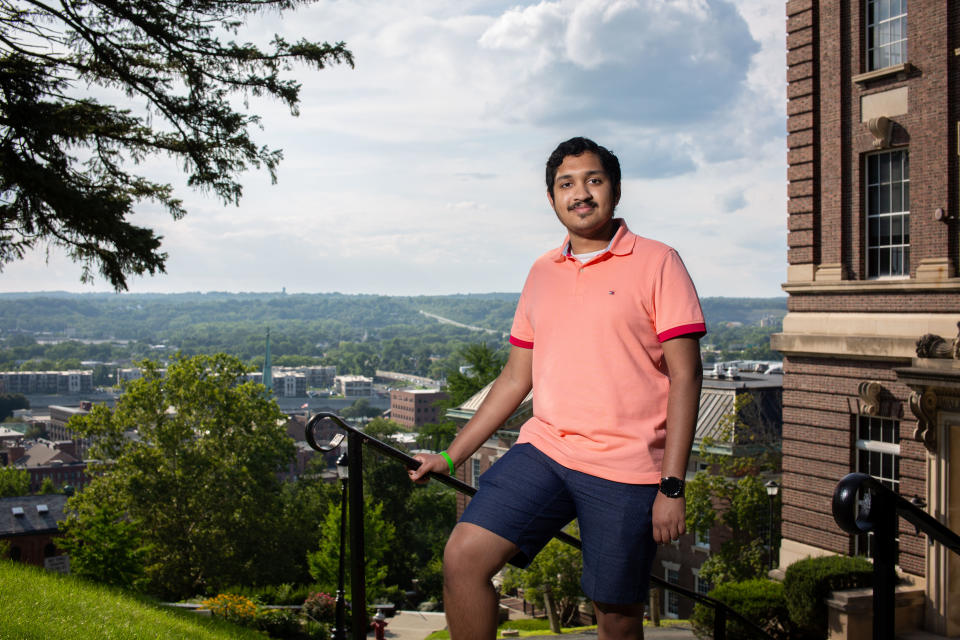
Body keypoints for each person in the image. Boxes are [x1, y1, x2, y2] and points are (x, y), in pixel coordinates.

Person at [409, 137, 705, 640]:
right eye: (566, 184)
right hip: (545, 451)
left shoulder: (659, 262)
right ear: (552, 199)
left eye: (593, 180)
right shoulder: (541, 272)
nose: (580, 193)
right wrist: (451, 456)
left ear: (614, 189)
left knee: (615, 614)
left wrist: (671, 487)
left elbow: (687, 376)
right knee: (463, 557)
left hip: (627, 468)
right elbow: (513, 378)